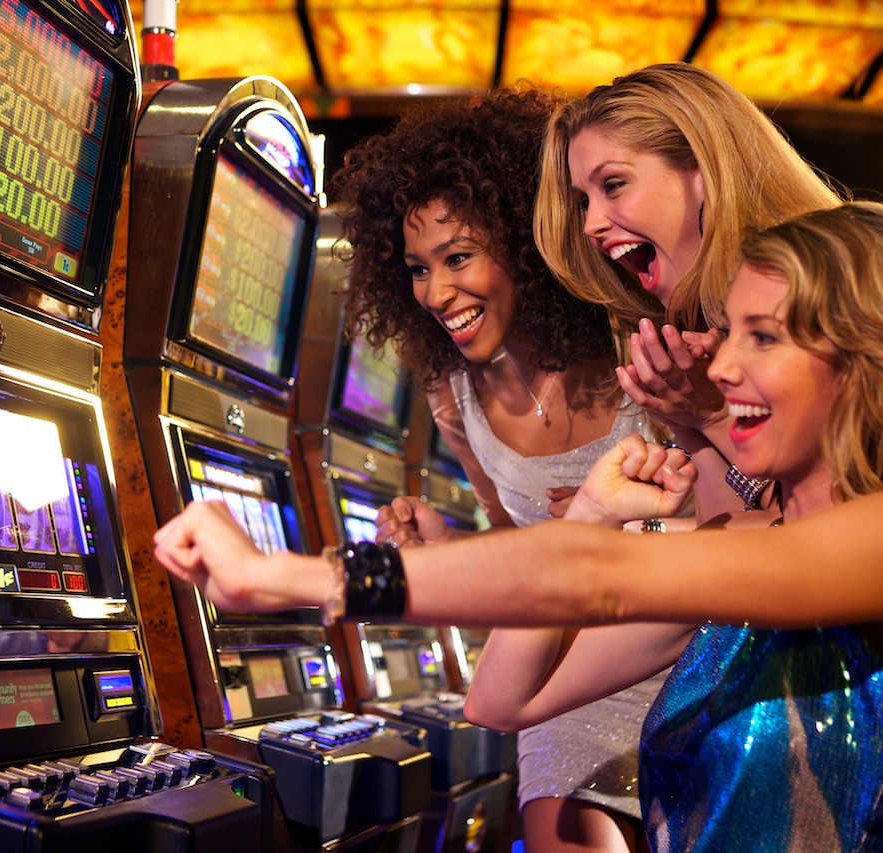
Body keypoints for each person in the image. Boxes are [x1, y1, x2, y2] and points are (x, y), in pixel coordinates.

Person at [154, 201, 883, 850]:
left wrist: (306, 576)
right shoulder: (745, 541)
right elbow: (504, 697)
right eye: (730, 331)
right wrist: (597, 512)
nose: (726, 362)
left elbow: (593, 574)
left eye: (765, 335)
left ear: (871, 355)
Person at [332, 87, 661, 852]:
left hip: (678, 643)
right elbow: (521, 549)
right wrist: (449, 545)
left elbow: (737, 505)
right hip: (567, 677)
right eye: (417, 268)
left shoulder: (628, 333)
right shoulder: (453, 397)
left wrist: (632, 513)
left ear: (520, 242)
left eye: (458, 257)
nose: (437, 293)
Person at [532, 62, 845, 520]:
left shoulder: (825, 289)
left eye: (613, 185)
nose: (590, 224)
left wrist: (713, 417)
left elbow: (824, 530)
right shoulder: (698, 334)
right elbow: (727, 532)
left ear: (705, 172)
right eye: (584, 201)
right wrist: (689, 423)